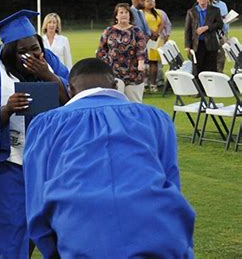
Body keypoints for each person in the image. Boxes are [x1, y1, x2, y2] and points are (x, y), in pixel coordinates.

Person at [23, 58, 196, 258]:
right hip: (160, 234)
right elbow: (171, 182)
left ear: (70, 90)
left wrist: (55, 250)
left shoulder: (46, 124)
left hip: (79, 235)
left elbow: (36, 202)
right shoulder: (155, 117)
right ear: (115, 85)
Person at [0, 9, 69, 258]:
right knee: (13, 229)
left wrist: (48, 76)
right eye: (23, 51)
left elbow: (74, 101)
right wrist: (6, 110)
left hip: (47, 162)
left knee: (49, 223)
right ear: (9, 52)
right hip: (6, 163)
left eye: (35, 47)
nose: (32, 55)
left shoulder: (50, 62)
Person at [96, 3, 146, 103]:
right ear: (116, 16)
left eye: (126, 12)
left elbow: (141, 48)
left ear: (130, 15)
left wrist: (141, 63)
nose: (124, 15)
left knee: (134, 104)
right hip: (114, 72)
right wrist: (103, 66)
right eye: (121, 12)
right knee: (116, 103)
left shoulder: (136, 31)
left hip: (133, 73)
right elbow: (101, 51)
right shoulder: (109, 31)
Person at [184, 0, 223, 80]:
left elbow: (220, 24)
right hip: (197, 44)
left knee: (211, 68)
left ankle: (211, 90)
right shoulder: (191, 12)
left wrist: (207, 27)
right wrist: (187, 45)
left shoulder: (215, 10)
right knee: (197, 67)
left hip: (211, 43)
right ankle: (199, 91)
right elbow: (187, 29)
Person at [143, 0, 165, 93]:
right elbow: (142, 24)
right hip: (145, 39)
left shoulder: (157, 12)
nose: (150, 3)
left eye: (152, 1)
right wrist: (151, 32)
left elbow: (162, 24)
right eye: (148, 1)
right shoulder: (141, 13)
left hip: (155, 40)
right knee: (142, 62)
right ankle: (143, 83)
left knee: (154, 62)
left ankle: (153, 84)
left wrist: (157, 32)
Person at [212, 0, 229, 73]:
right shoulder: (209, 4)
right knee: (214, 57)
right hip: (214, 34)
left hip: (224, 34)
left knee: (222, 57)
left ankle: (220, 73)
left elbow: (226, 18)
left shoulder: (223, 4)